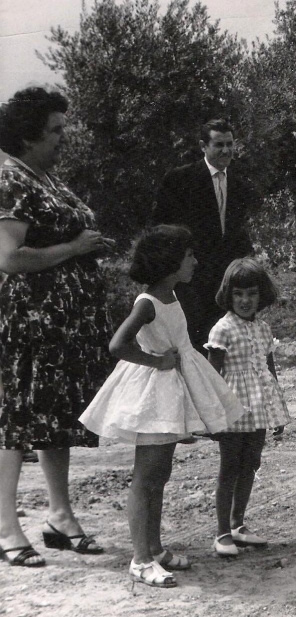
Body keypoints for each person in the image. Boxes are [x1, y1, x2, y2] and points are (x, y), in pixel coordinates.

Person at [79, 225, 244, 587]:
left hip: (172, 389)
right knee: (146, 477)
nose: (196, 261)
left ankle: (154, 548)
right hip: (153, 395)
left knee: (160, 475)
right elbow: (117, 345)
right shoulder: (148, 302)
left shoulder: (171, 296)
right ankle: (139, 559)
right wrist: (156, 362)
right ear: (171, 262)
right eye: (189, 256)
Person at [0, 87, 115, 568]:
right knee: (19, 421)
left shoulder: (43, 176)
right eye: (55, 130)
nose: (63, 137)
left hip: (62, 326)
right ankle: (6, 526)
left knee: (55, 418)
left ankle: (60, 516)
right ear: (28, 136)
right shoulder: (9, 177)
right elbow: (9, 257)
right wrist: (75, 249)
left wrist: (91, 246)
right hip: (30, 323)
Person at [206, 258, 290, 558]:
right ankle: (222, 533)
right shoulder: (222, 329)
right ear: (228, 294)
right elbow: (213, 376)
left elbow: (269, 368)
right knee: (230, 465)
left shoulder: (264, 328)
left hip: (259, 405)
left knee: (251, 462)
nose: (245, 300)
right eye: (239, 294)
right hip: (233, 406)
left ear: (261, 294)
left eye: (251, 293)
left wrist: (277, 407)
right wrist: (212, 415)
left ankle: (238, 524)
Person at [151, 119, 255, 354]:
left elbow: (237, 233)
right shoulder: (180, 180)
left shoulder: (239, 185)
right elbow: (160, 230)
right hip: (191, 282)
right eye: (219, 145)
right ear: (203, 146)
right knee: (193, 349)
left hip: (225, 283)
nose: (226, 150)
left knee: (225, 350)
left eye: (230, 144)